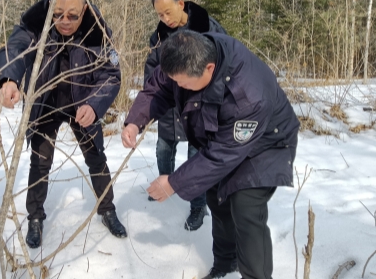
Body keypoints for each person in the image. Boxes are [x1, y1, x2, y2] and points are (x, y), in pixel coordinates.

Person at [122, 30, 300, 279]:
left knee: (245, 207)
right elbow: (158, 88)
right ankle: (226, 265)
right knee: (218, 198)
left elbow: (221, 156)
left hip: (265, 144)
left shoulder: (248, 96)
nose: (179, 87)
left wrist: (173, 183)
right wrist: (134, 121)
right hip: (222, 139)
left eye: (183, 83)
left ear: (209, 68)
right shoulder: (184, 54)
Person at [0, 0, 127, 249]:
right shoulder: (36, 23)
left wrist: (94, 105)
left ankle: (108, 210)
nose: (64, 21)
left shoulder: (97, 32)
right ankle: (34, 217)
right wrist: (8, 79)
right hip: (45, 104)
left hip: (83, 104)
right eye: (58, 15)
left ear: (84, 9)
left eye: (72, 16)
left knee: (96, 158)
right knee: (40, 163)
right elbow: (15, 49)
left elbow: (111, 75)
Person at [144, 0, 228, 231]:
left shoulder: (208, 28)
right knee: (163, 149)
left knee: (196, 160)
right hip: (171, 107)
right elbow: (151, 72)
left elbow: (224, 66)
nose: (165, 19)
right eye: (160, 15)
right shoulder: (158, 38)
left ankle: (197, 206)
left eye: (168, 12)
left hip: (200, 110)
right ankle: (165, 186)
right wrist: (151, 103)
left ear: (181, 4)